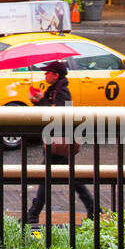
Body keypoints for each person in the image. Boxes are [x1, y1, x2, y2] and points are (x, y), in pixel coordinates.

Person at [25, 62, 94, 226]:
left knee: (46, 176)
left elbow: (58, 114)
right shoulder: (55, 90)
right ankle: (94, 209)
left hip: (59, 142)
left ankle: (33, 214)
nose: (45, 75)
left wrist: (41, 100)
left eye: (47, 72)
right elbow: (48, 109)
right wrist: (37, 100)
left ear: (55, 75)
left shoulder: (62, 91)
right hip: (56, 140)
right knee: (71, 177)